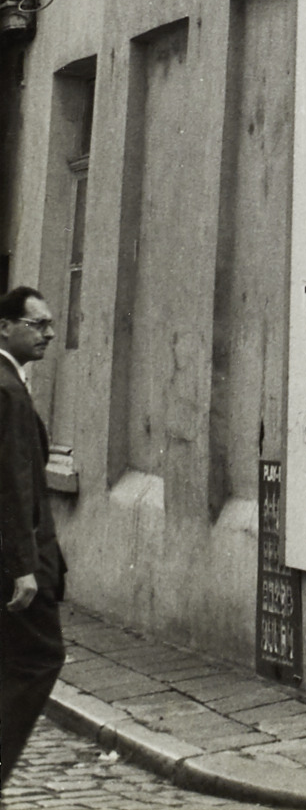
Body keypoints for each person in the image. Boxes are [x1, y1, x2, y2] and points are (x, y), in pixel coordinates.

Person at [0, 287, 66, 790]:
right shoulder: (7, 390)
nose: (49, 334)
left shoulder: (10, 382)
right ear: (5, 327)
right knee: (40, 657)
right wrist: (24, 566)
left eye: (49, 324)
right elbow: (14, 484)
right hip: (16, 560)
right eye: (37, 325)